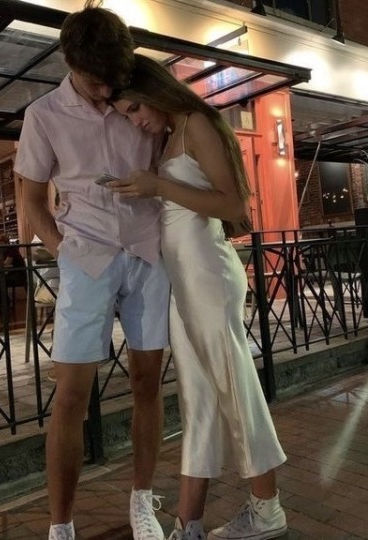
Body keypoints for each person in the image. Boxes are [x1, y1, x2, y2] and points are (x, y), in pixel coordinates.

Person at [110, 54, 288, 540]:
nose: (135, 120)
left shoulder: (198, 123)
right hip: (183, 279)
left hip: (207, 274)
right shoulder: (173, 134)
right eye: (126, 114)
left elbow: (233, 205)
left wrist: (158, 185)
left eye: (134, 108)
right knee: (198, 398)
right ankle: (188, 523)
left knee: (233, 385)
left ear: (153, 91)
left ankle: (267, 506)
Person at [13, 3, 169, 540]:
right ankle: (61, 525)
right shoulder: (44, 115)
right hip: (86, 256)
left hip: (148, 251)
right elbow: (32, 201)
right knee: (71, 395)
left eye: (112, 80)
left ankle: (142, 501)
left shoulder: (137, 97)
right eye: (96, 80)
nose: (107, 91)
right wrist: (65, 252)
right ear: (70, 63)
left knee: (148, 381)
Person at [0, 234, 27, 312]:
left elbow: (7, 263)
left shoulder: (12, 249)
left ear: (5, 242)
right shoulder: (4, 251)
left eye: (0, 242)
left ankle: (5, 305)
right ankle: (2, 304)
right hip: (11, 274)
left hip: (19, 275)